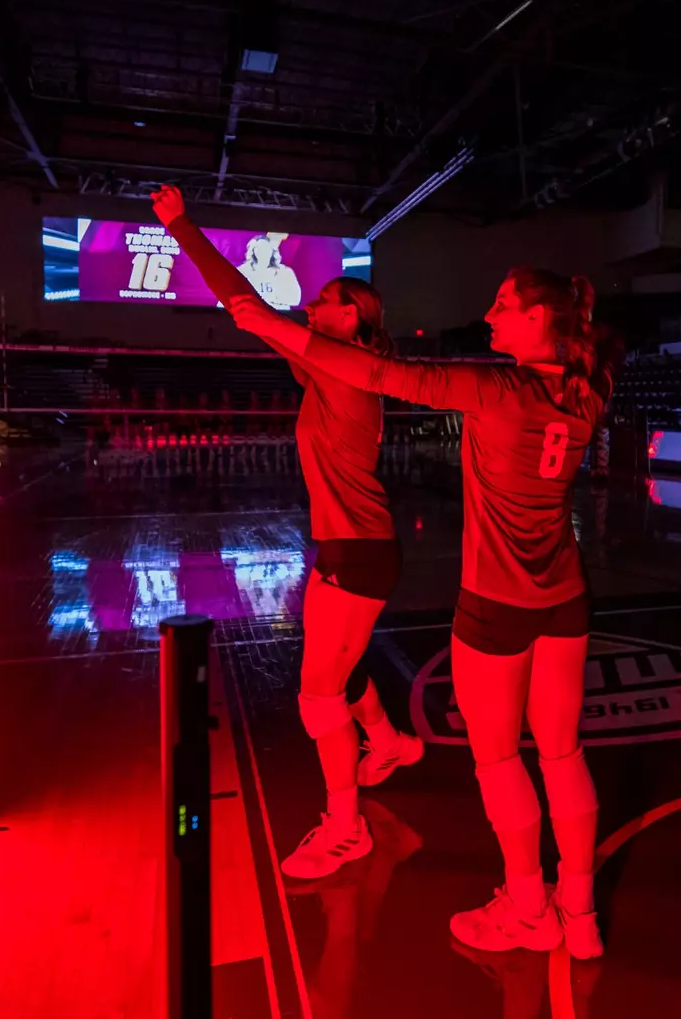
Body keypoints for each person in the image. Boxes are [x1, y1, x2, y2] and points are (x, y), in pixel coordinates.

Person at [217, 238, 612, 957]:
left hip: (497, 606)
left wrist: (271, 325)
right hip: (566, 600)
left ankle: (529, 908)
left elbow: (380, 372)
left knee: (501, 762)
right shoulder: (591, 390)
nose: (489, 315)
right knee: (563, 755)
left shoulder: (498, 390)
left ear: (537, 319)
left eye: (503, 305)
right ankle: (578, 918)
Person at [153, 188, 424, 882]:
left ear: (351, 316)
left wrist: (181, 226)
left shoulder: (345, 368)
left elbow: (245, 306)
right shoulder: (326, 366)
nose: (310, 304)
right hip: (348, 550)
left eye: (324, 298)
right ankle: (389, 742)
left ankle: (347, 828)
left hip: (360, 554)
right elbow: (246, 305)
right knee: (339, 669)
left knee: (317, 696)